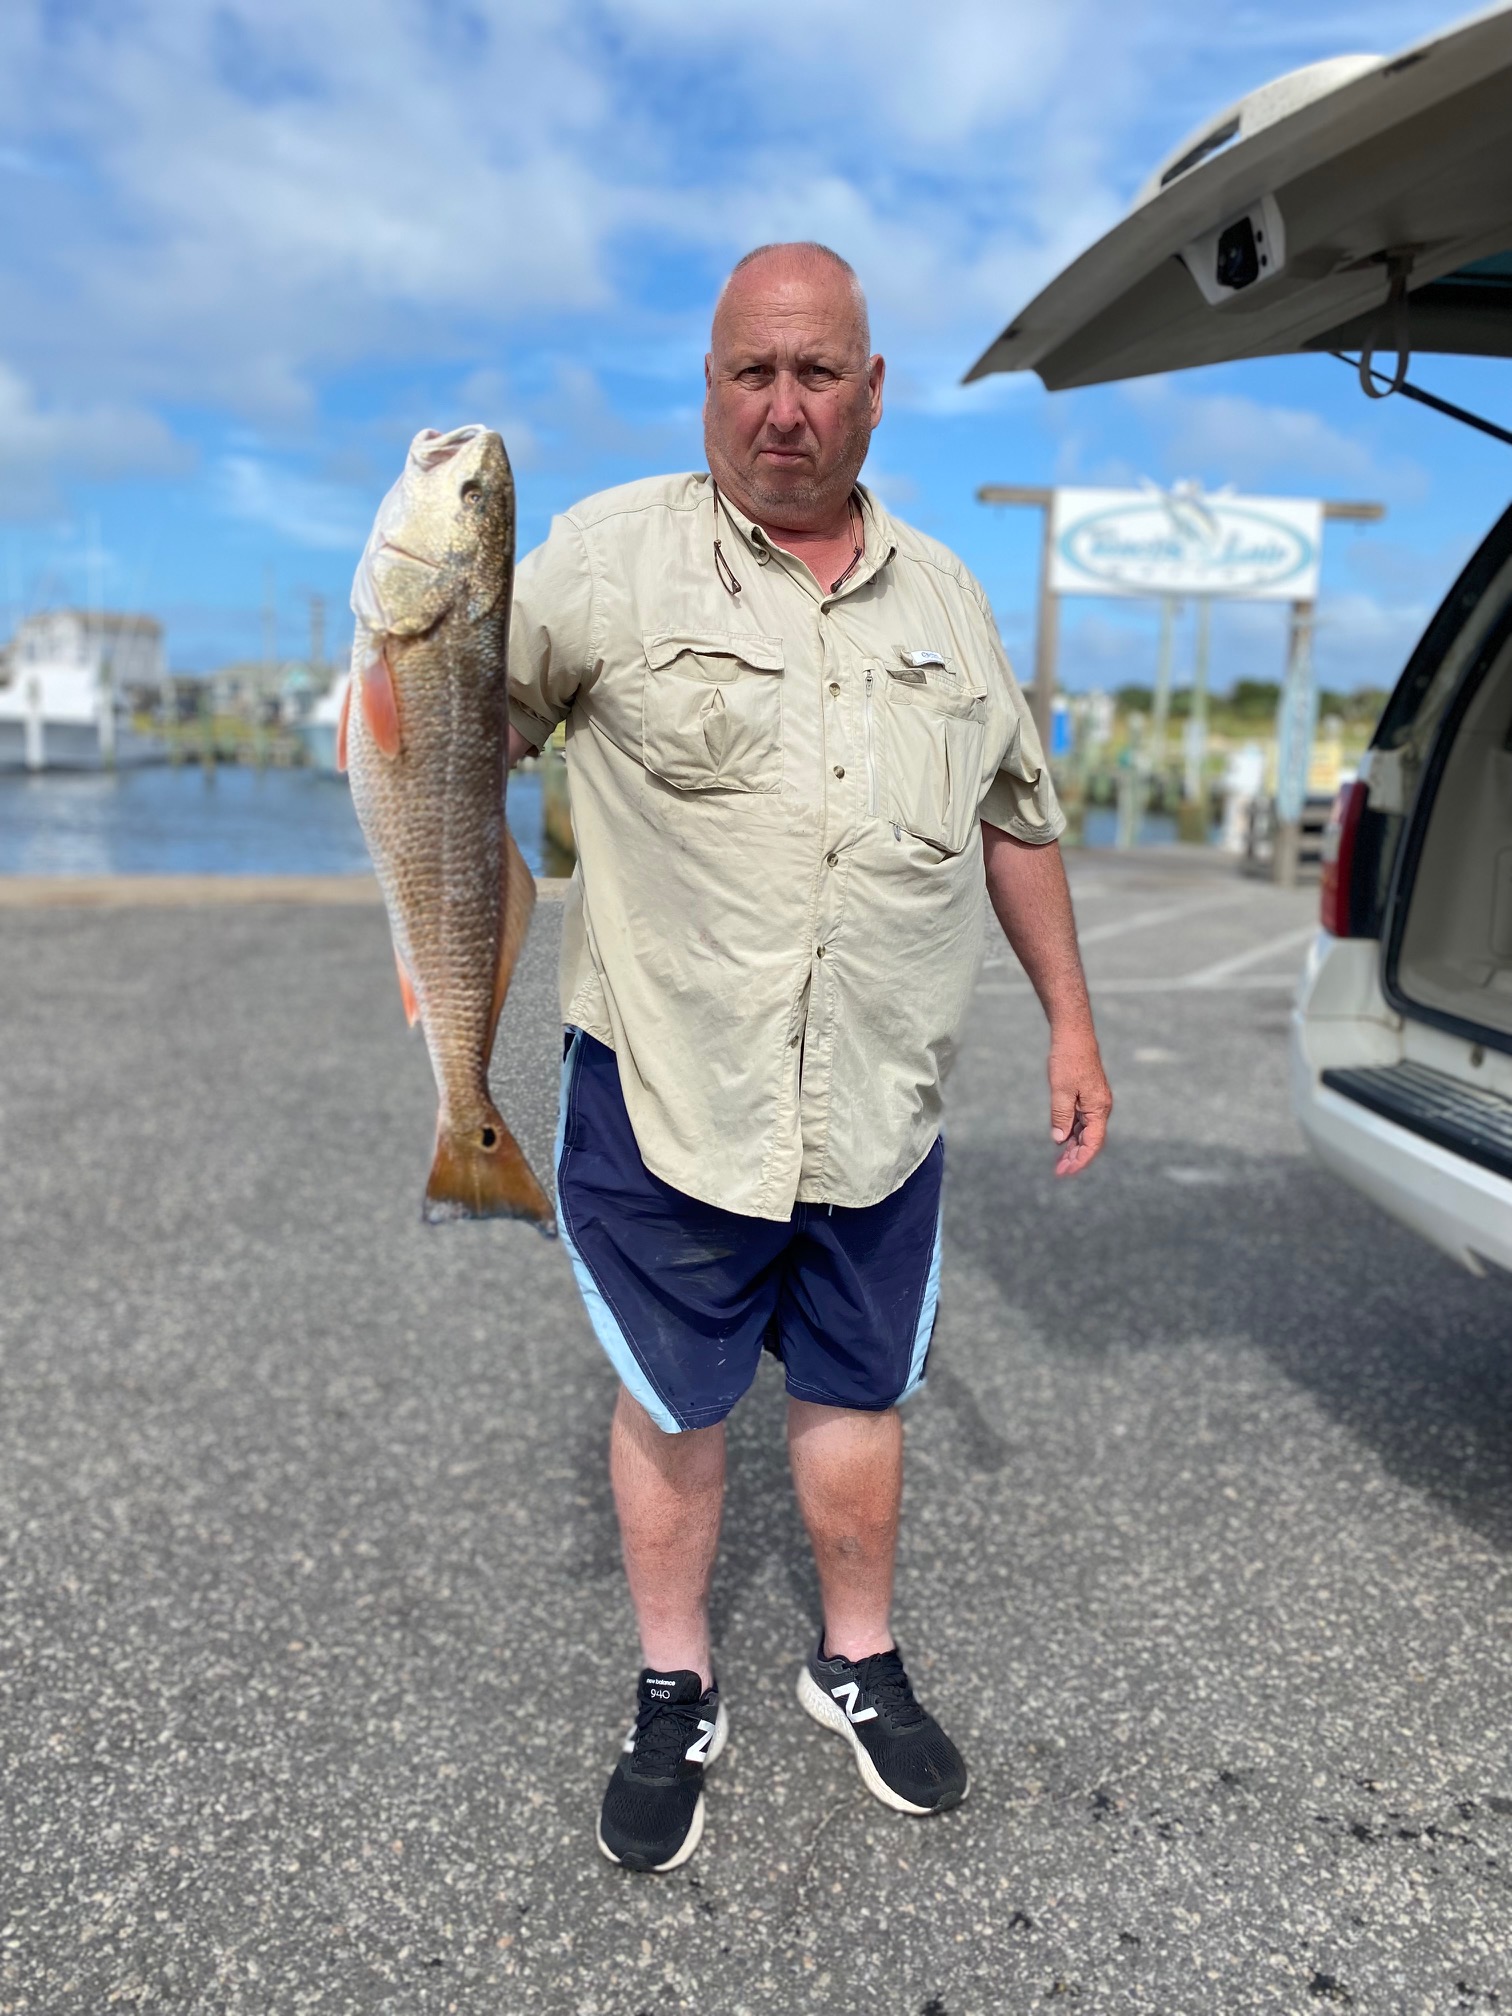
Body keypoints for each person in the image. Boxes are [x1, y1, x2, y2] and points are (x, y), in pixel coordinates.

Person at [506, 242, 1111, 1874]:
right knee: (674, 1401)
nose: (783, 409)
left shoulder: (948, 598)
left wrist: (1069, 1017)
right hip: (665, 1090)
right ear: (707, 383)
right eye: (749, 373)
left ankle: (853, 1658)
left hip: (879, 1102)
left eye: (816, 372)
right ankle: (673, 1682)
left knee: (860, 1392)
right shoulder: (602, 560)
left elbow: (1014, 815)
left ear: (871, 389)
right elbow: (446, 720)